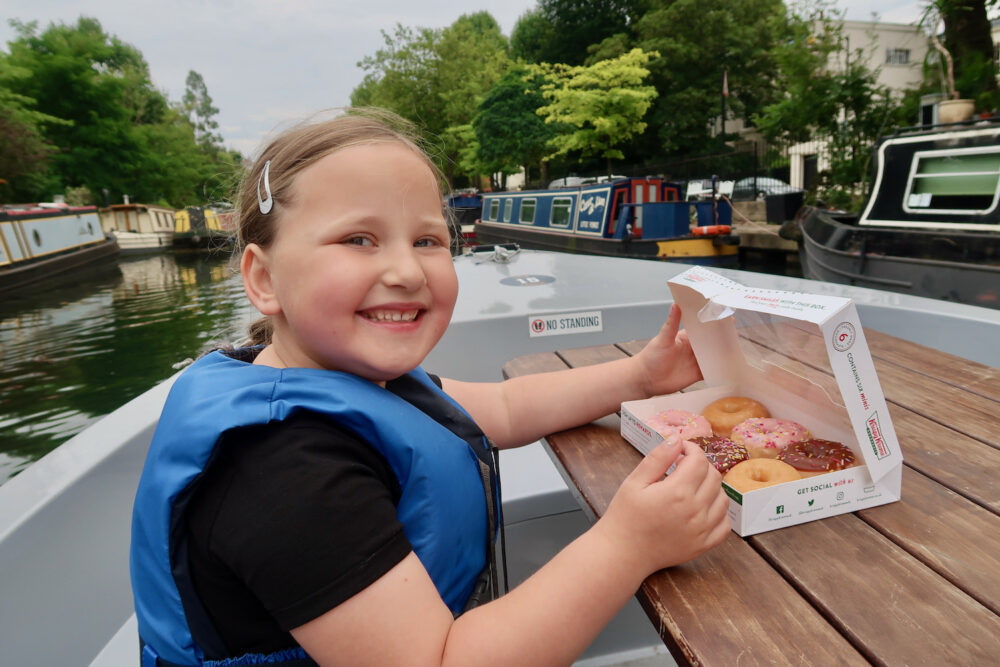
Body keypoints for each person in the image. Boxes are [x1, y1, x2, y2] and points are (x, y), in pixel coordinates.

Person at [130, 107, 730, 667]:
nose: (407, 271)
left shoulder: (355, 379)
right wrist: (627, 546)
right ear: (264, 279)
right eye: (358, 240)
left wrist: (641, 376)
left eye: (428, 241)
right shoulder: (286, 475)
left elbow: (503, 407)